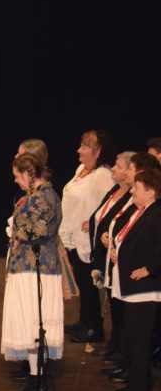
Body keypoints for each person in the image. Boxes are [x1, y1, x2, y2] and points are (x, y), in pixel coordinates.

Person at [2, 153, 63, 391]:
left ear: (29, 174)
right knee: (30, 326)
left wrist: (17, 233)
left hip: (36, 269)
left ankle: (38, 382)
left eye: (17, 176)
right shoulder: (37, 195)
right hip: (28, 266)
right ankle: (33, 377)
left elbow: (39, 229)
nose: (15, 180)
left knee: (34, 324)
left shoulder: (44, 197)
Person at [107, 169, 161, 391]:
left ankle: (138, 390)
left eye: (137, 188)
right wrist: (116, 250)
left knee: (140, 341)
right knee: (132, 337)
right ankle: (133, 380)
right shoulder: (142, 212)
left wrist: (149, 269)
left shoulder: (156, 215)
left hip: (145, 290)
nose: (132, 191)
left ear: (150, 192)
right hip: (131, 287)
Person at [60, 130, 116, 344]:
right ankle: (84, 321)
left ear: (98, 151)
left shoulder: (102, 175)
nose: (79, 150)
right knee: (82, 282)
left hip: (86, 240)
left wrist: (93, 221)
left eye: (84, 147)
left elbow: (111, 203)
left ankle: (94, 327)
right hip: (73, 235)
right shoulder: (81, 170)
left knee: (89, 283)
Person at [87, 152, 136, 364]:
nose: (113, 169)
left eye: (119, 166)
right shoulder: (116, 190)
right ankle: (114, 346)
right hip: (107, 256)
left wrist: (111, 236)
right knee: (114, 307)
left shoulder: (132, 197)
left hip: (119, 260)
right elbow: (107, 218)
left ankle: (120, 351)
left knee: (120, 310)